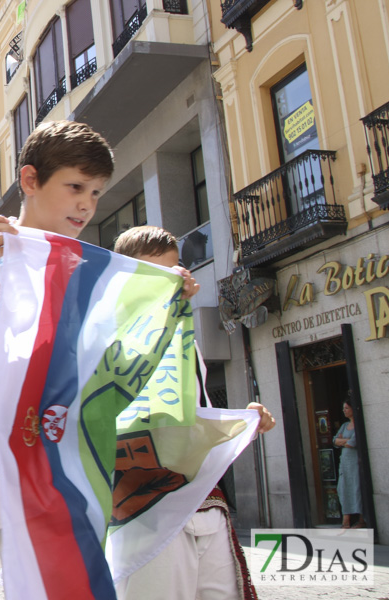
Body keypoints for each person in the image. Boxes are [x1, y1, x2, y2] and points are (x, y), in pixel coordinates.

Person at [0, 120, 121, 541]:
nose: (87, 204)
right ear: (30, 179)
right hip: (16, 448)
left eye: (95, 192)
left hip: (74, 448)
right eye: (75, 187)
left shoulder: (86, 264)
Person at [112, 225, 275, 600]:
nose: (171, 285)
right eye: (156, 277)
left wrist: (238, 421)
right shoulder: (105, 339)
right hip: (142, 511)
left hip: (203, 503)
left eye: (177, 272)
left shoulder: (185, 340)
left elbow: (192, 416)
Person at [334, 398, 364, 529]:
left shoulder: (358, 424)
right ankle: (346, 520)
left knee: (357, 489)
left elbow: (353, 443)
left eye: (346, 408)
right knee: (343, 488)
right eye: (343, 408)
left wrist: (343, 441)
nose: (344, 410)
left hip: (355, 462)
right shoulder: (344, 426)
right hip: (345, 463)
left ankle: (361, 519)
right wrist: (344, 441)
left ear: (353, 409)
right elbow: (335, 441)